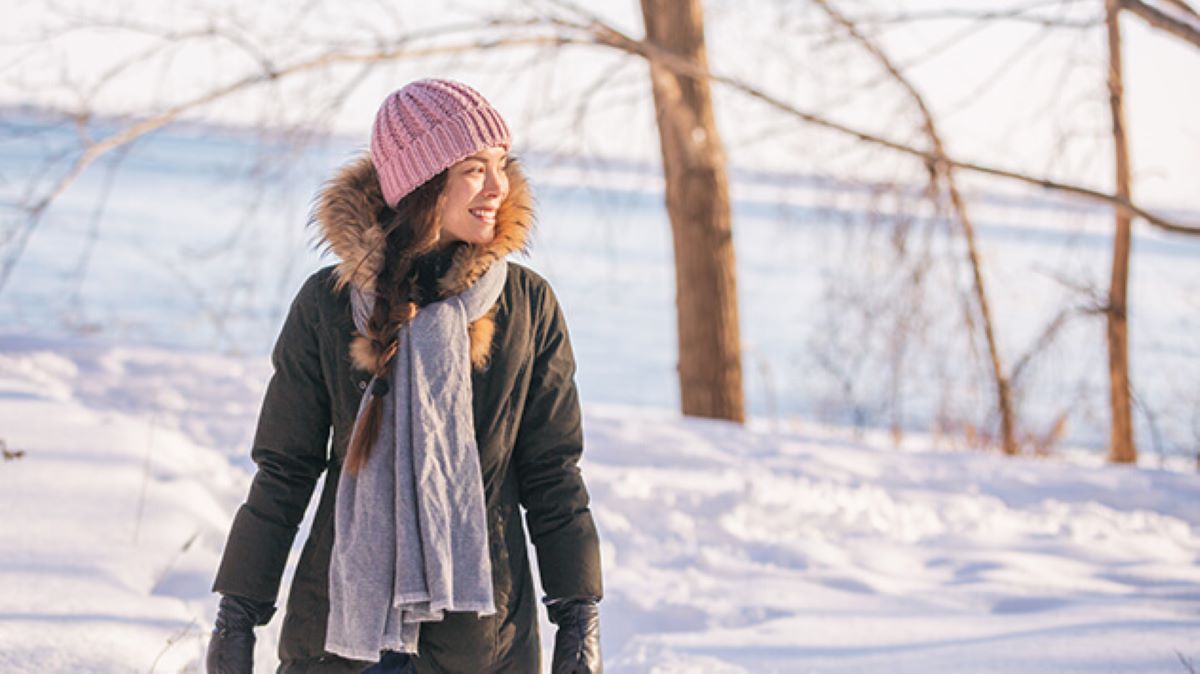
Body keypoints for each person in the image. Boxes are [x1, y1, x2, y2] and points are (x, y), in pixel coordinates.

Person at [205, 79, 603, 674]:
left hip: (481, 642)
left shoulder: (526, 306)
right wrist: (238, 613)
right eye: (474, 168)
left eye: (501, 165)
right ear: (421, 183)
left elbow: (551, 472)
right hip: (340, 639)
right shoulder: (329, 305)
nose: (499, 187)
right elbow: (285, 470)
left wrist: (578, 613)